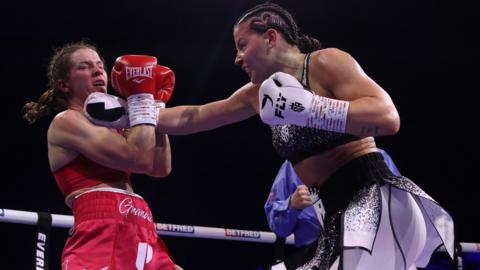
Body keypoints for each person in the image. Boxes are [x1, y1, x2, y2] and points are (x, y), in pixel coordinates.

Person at [88, 2, 454, 269]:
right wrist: (133, 110)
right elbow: (193, 117)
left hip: (374, 198)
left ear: (271, 38)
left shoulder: (325, 62)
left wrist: (309, 107)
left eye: (242, 45)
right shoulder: (256, 94)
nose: (237, 58)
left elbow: (388, 118)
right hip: (337, 211)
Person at [22, 42, 182, 270]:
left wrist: (155, 104)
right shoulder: (67, 121)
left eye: (100, 66)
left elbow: (159, 167)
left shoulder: (116, 124)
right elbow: (140, 159)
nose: (97, 71)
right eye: (84, 67)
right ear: (64, 84)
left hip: (141, 225)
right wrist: (141, 100)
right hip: (102, 227)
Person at [265, 149, 401, 268]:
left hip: (370, 255)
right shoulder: (293, 165)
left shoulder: (374, 156)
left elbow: (400, 210)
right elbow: (278, 228)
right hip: (315, 258)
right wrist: (291, 205)